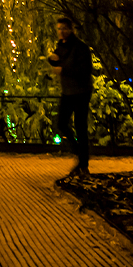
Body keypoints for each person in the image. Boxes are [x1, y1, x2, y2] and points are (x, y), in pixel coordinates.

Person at [47, 14, 94, 174]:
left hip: (81, 91)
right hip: (68, 91)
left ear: (71, 29)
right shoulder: (61, 45)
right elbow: (60, 60)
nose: (61, 32)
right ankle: (79, 154)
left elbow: (85, 70)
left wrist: (62, 69)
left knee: (80, 127)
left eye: (64, 29)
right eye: (59, 29)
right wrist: (52, 60)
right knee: (61, 123)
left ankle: (83, 164)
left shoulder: (80, 47)